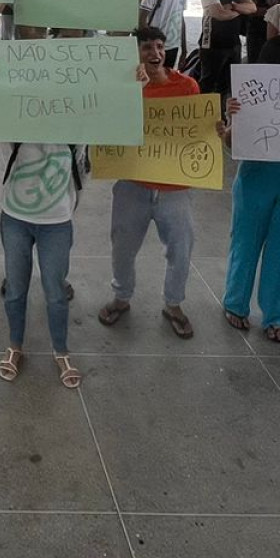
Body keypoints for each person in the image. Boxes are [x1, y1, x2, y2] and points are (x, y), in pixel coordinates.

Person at [0, 30, 86, 389]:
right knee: (15, 288)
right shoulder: (21, 111)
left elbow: (118, 120)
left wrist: (129, 85)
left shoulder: (81, 117)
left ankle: (61, 350)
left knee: (56, 291)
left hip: (58, 220)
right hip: (14, 217)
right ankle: (15, 345)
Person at [98, 27, 202, 337]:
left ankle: (173, 303)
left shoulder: (187, 86)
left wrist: (215, 128)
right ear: (136, 53)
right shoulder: (123, 88)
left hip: (174, 188)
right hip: (133, 183)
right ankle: (121, 297)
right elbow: (107, 123)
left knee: (181, 248)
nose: (155, 53)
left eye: (159, 46)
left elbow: (197, 129)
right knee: (123, 245)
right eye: (146, 48)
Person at [220, 37, 280, 341]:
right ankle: (235, 303)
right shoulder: (250, 92)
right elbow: (232, 144)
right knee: (246, 242)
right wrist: (233, 119)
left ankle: (275, 314)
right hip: (256, 177)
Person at [195, 0, 255, 97]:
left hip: (234, 44)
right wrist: (241, 9)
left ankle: (223, 117)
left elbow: (252, 7)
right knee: (208, 86)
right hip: (212, 45)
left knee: (228, 86)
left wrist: (233, 7)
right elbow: (219, 14)